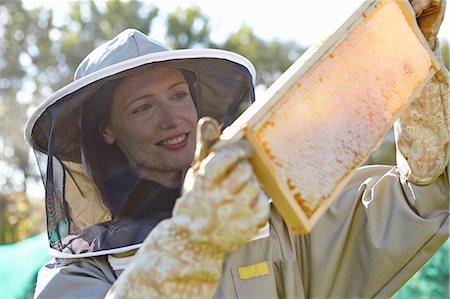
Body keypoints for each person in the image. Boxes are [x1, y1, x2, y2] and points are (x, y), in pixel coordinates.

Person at [26, 0, 448, 298]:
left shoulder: (275, 228)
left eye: (178, 94)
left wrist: (407, 58)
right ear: (107, 132)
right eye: (142, 107)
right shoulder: (81, 274)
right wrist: (195, 242)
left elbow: (416, 202)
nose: (173, 119)